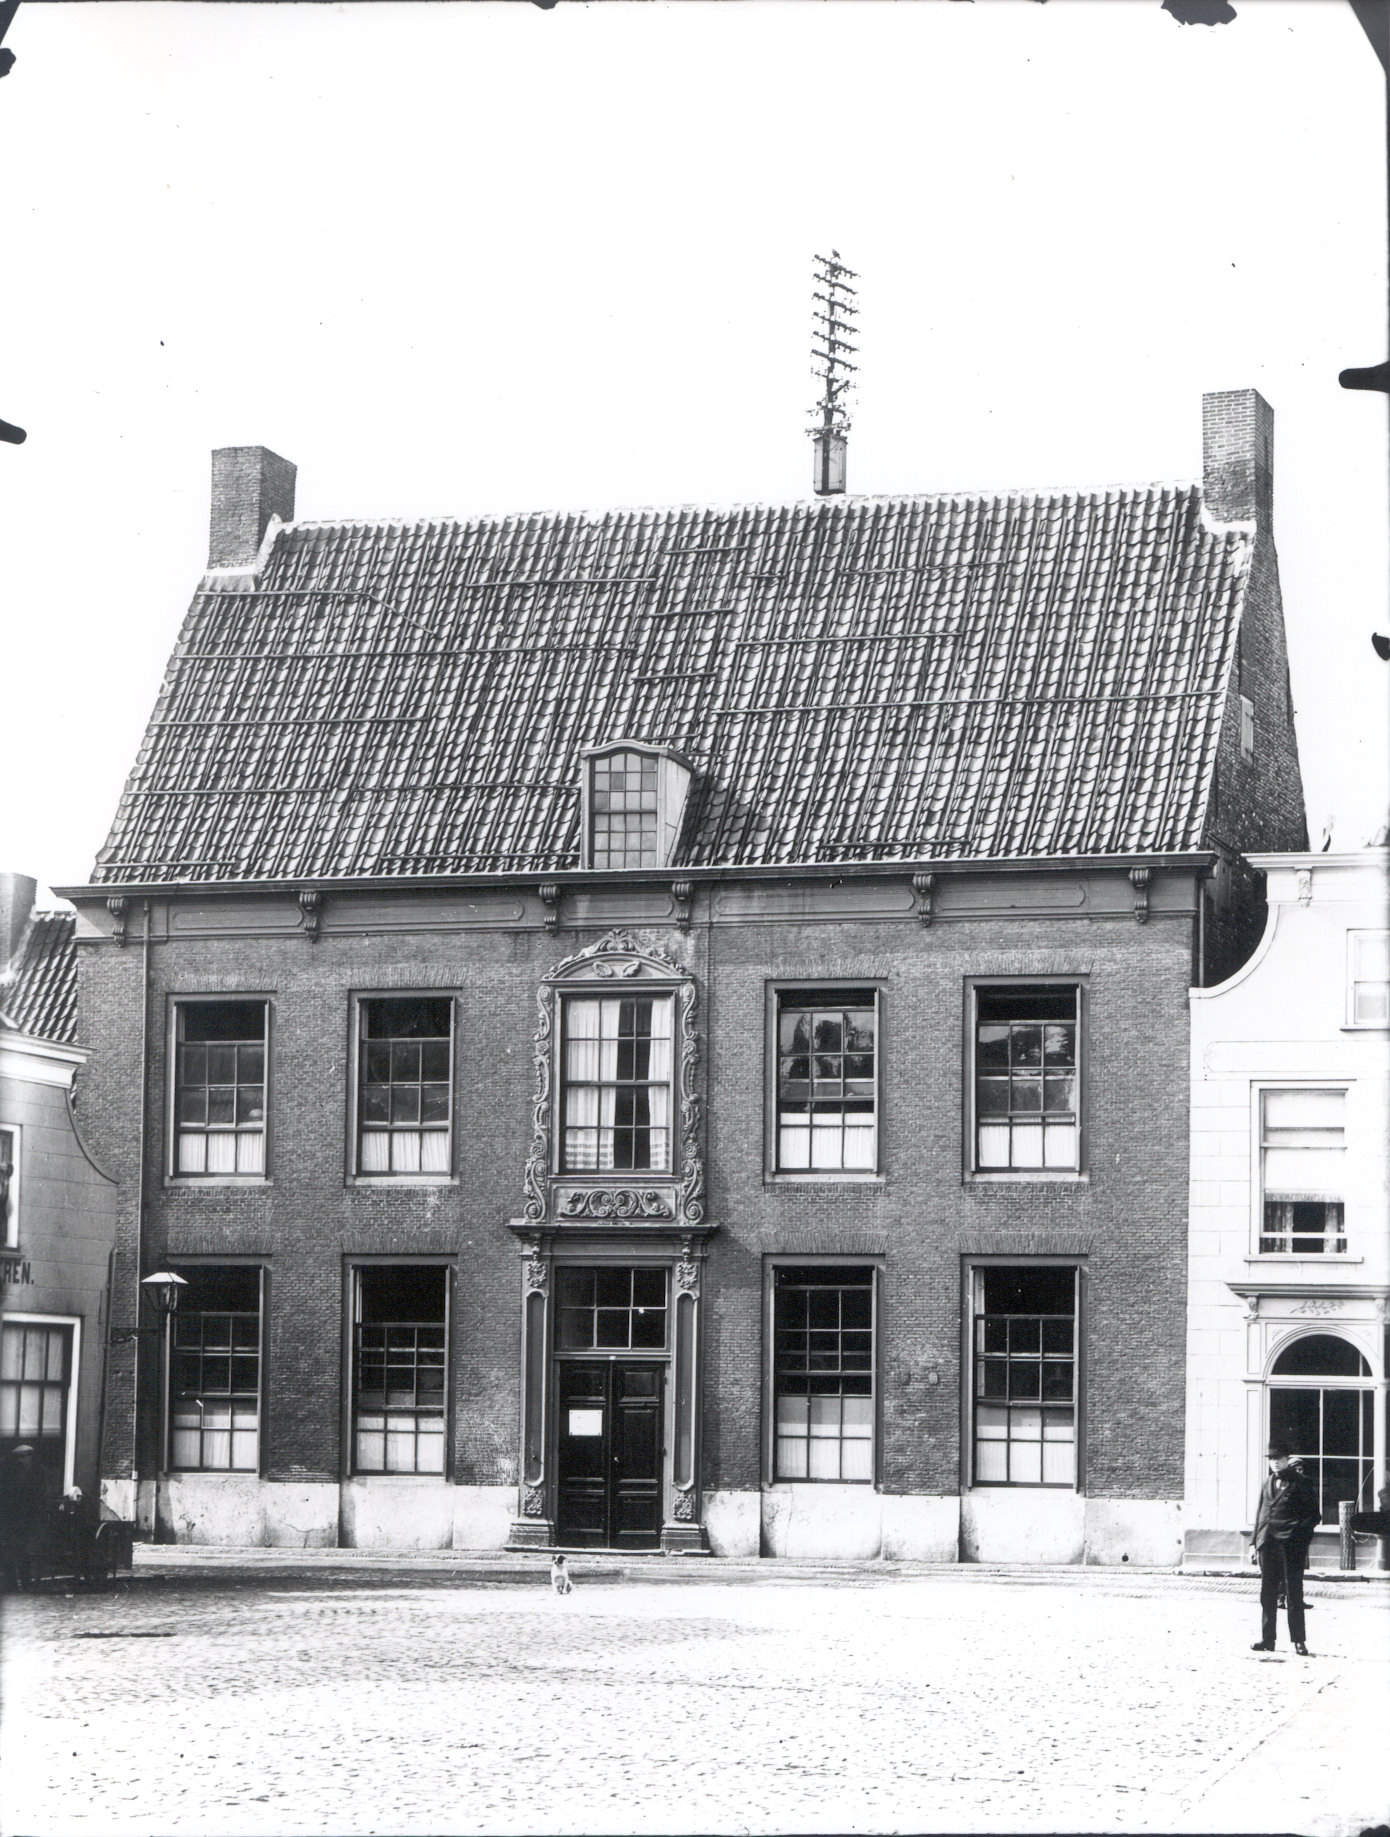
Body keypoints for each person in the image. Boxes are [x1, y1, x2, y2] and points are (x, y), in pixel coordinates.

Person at [1251, 1439, 1321, 1655]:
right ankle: (1267, 1639)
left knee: (1293, 1593)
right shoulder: (1267, 1483)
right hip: (1267, 1544)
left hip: (1291, 1546)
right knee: (1268, 1593)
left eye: (1278, 1459)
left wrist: (1298, 1539)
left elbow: (1312, 1516)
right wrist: (1254, 1543)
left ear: (1286, 1459)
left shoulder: (1301, 1482)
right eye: (1271, 1459)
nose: (1275, 1463)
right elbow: (1260, 1514)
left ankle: (1298, 1640)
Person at [0, 1445, 47, 1591]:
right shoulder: (10, 1474)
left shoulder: (38, 1473)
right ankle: (11, 1582)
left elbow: (40, 1496)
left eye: (24, 1457)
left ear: (30, 1457)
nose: (21, 1460)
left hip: (29, 1519)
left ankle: (25, 1581)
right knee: (8, 1550)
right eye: (18, 1457)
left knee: (23, 1552)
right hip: (12, 1518)